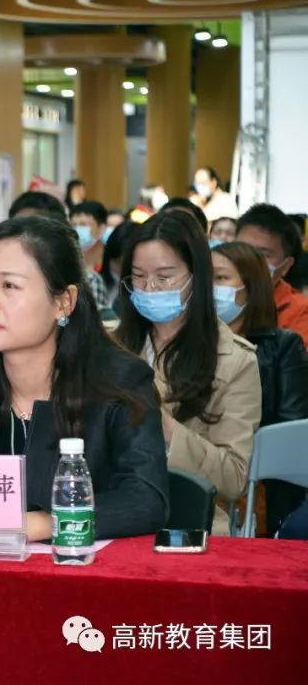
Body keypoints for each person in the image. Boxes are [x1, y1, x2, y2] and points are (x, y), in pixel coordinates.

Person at [0, 217, 169, 539]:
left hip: (77, 564)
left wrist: (38, 524)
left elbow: (145, 499)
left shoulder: (120, 383)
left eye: (9, 286)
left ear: (63, 302)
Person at [115, 209, 261, 534]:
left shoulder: (234, 360)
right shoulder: (109, 345)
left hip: (190, 524)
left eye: (165, 276)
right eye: (138, 276)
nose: (150, 288)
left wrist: (167, 430)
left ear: (197, 275)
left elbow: (234, 477)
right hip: (112, 514)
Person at [213, 241, 308, 533]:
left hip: (259, 484)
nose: (210, 288)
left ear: (251, 286)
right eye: (205, 278)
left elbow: (289, 429)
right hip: (200, 471)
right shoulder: (190, 345)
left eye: (220, 278)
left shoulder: (282, 347)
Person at [235, 203, 308, 348]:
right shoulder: (214, 298)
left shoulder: (301, 312)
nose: (249, 259)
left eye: (264, 255)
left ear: (286, 266)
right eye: (242, 249)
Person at [101, 221, 139, 311]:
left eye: (126, 264)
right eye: (116, 262)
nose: (120, 270)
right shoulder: (97, 282)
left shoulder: (140, 294)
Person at [69, 201, 108, 272]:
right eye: (73, 225)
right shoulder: (68, 260)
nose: (77, 230)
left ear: (101, 228)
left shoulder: (110, 260)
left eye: (83, 225)